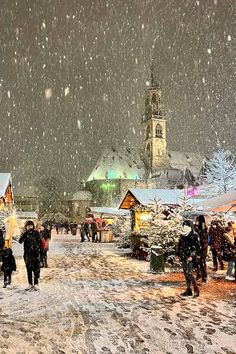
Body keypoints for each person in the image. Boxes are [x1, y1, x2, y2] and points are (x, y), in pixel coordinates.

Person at [177, 220, 201, 298]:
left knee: (189, 273)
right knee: (186, 274)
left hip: (190, 257)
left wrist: (192, 256)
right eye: (184, 225)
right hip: (183, 256)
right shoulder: (182, 234)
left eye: (186, 225)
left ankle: (196, 289)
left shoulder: (194, 235)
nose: (185, 226)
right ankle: (188, 290)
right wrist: (178, 254)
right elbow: (180, 245)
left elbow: (197, 247)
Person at [19, 220, 43, 291]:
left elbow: (40, 243)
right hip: (27, 255)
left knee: (36, 269)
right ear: (26, 227)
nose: (30, 227)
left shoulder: (36, 233)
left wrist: (40, 252)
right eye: (28, 226)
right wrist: (24, 233)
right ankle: (30, 284)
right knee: (29, 269)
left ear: (33, 226)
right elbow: (20, 241)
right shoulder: (25, 234)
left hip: (35, 254)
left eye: (31, 226)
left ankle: (36, 284)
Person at [194, 215, 208, 283]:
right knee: (198, 262)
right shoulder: (198, 228)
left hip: (202, 248)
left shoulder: (203, 228)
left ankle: (204, 277)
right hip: (200, 248)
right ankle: (200, 275)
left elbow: (203, 238)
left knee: (201, 263)